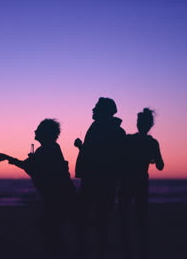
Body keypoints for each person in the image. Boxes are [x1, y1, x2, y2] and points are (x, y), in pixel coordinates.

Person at [0, 119, 77, 259]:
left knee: (51, 231)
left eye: (38, 129)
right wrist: (12, 159)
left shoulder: (47, 149)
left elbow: (31, 169)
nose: (35, 131)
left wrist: (13, 159)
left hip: (57, 197)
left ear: (45, 133)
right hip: (61, 195)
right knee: (53, 230)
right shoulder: (51, 148)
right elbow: (31, 167)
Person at [74, 97, 126, 259]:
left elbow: (109, 157)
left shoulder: (115, 131)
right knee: (92, 216)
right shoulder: (100, 127)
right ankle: (91, 249)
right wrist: (81, 147)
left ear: (105, 111)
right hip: (93, 179)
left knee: (98, 217)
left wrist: (83, 148)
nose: (93, 109)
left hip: (101, 181)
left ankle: (95, 250)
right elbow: (95, 153)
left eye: (96, 107)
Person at [118, 108, 164, 259]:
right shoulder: (152, 143)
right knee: (140, 217)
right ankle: (140, 249)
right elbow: (160, 165)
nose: (139, 124)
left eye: (140, 122)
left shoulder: (129, 139)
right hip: (140, 182)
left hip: (127, 181)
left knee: (125, 216)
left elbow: (119, 157)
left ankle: (127, 249)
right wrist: (153, 158)